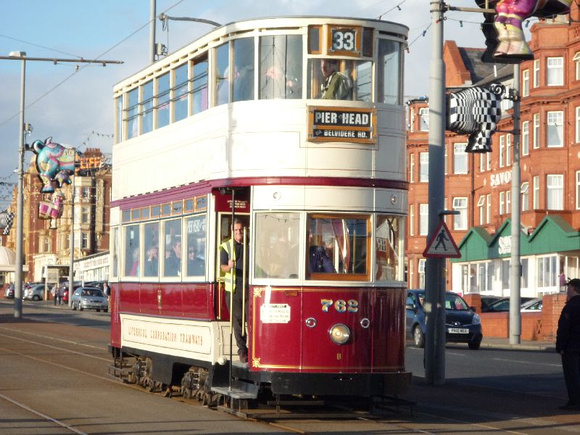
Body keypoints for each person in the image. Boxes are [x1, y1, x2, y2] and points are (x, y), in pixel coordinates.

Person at [220, 218, 249, 363]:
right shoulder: (226, 246)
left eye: (240, 230)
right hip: (234, 290)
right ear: (232, 232)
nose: (239, 233)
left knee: (250, 320)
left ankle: (254, 349)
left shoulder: (250, 245)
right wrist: (229, 266)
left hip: (249, 289)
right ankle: (242, 351)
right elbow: (222, 267)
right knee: (237, 322)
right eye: (236, 230)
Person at [556, 278, 580, 410]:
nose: (567, 290)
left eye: (569, 288)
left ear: (573, 288)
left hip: (571, 347)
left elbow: (564, 328)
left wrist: (560, 346)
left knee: (572, 375)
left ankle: (575, 401)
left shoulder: (570, 306)